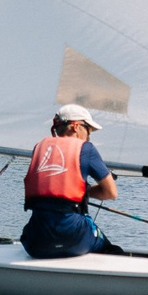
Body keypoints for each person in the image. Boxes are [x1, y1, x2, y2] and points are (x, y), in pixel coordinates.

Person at [21, 104, 125, 260]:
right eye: (88, 130)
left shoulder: (39, 148)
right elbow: (111, 193)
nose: (89, 137)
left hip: (35, 243)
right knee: (110, 248)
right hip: (74, 238)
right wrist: (83, 192)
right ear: (76, 127)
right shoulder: (87, 149)